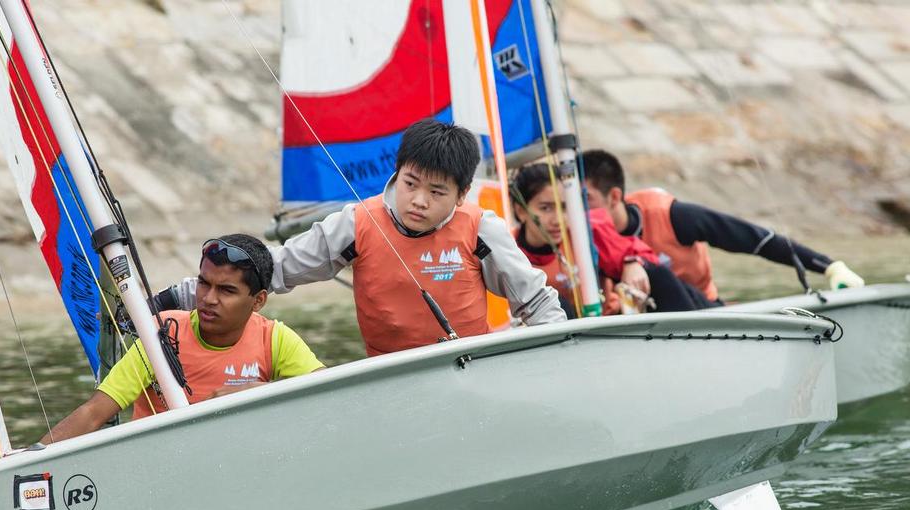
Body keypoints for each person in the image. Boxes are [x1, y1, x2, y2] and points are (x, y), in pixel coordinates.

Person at [269, 118, 566, 356]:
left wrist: (562, 356)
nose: (419, 201)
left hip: (473, 367)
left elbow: (536, 302)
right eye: (410, 183)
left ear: (462, 194)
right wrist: (236, 260)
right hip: (390, 376)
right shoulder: (356, 222)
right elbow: (281, 267)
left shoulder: (481, 227)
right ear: (397, 173)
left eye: (436, 192)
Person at [41, 234, 323, 444]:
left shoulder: (274, 339)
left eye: (226, 290)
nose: (208, 299)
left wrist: (258, 391)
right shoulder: (162, 333)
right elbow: (94, 412)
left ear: (258, 300)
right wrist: (32, 455)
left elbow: (329, 396)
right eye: (203, 283)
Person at [580, 149, 865, 303]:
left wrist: (830, 268)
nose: (576, 211)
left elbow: (756, 240)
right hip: (632, 326)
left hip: (700, 312)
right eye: (569, 202)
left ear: (614, 196)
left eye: (585, 199)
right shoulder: (575, 237)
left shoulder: (672, 216)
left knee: (659, 277)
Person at [510, 163, 716, 314]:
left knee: (657, 274)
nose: (558, 220)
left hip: (609, 324)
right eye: (545, 208)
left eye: (564, 207)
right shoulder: (507, 251)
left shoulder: (586, 232)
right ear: (521, 211)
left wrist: (632, 262)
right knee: (553, 301)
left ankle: (701, 327)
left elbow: (640, 252)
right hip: (559, 332)